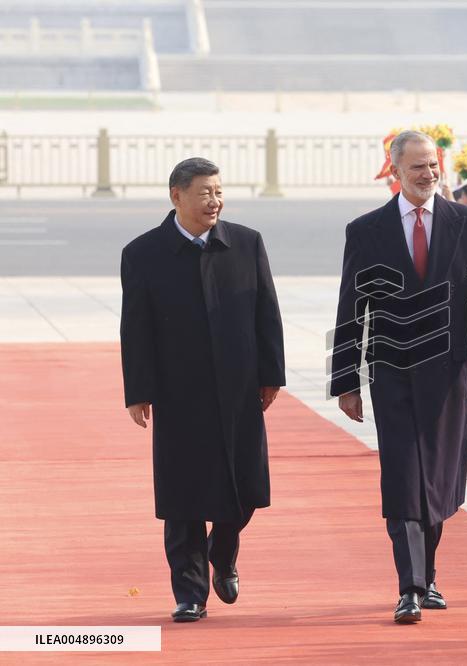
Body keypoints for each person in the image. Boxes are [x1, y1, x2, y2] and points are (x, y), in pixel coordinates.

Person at [330, 130, 467, 624]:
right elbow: (352, 307)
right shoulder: (365, 230)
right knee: (404, 475)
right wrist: (346, 378)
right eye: (417, 168)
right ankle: (409, 586)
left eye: (433, 165)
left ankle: (427, 576)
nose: (428, 174)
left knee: (438, 479)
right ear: (395, 171)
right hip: (393, 372)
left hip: (452, 373)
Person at [119, 157, 285, 622]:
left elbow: (266, 313)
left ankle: (223, 550)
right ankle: (190, 593)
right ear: (177, 196)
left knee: (246, 486)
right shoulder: (143, 253)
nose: (214, 201)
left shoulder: (246, 244)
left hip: (240, 388)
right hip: (178, 392)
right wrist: (139, 390)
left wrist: (271, 374)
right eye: (204, 192)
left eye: (218, 191)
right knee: (182, 494)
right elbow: (135, 328)